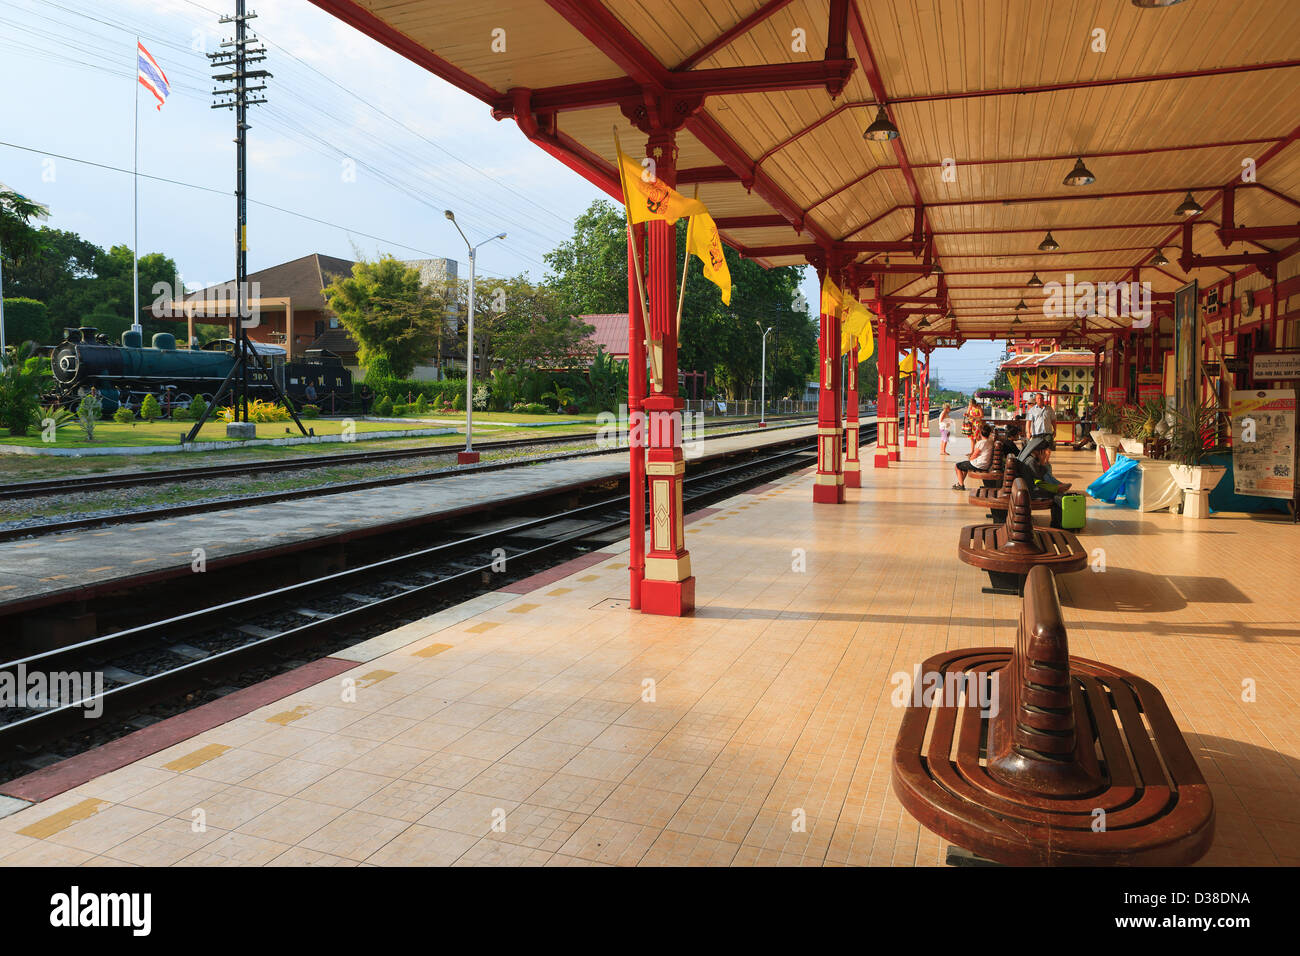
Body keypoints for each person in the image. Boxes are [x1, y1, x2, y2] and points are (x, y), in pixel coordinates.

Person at [953, 423, 994, 489]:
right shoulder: (991, 442)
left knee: (957, 466)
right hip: (986, 465)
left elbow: (974, 456)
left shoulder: (981, 443)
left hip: (979, 465)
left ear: (980, 433)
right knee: (965, 466)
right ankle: (960, 483)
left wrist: (970, 458)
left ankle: (961, 485)